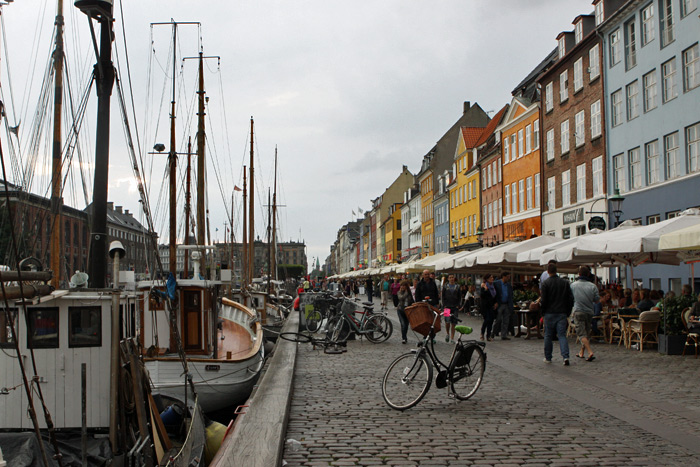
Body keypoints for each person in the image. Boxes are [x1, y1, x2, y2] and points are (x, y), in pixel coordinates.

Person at [541, 261, 574, 365]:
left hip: (549, 312)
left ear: (548, 271)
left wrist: (543, 312)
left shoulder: (545, 283)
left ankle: (548, 357)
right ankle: (565, 356)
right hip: (561, 312)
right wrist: (567, 311)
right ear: (556, 271)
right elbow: (570, 298)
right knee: (562, 335)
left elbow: (544, 300)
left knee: (548, 335)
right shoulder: (564, 283)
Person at [570, 266, 600, 362]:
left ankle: (590, 352)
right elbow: (596, 300)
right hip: (589, 312)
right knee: (586, 333)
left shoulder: (573, 285)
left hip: (578, 311)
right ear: (588, 274)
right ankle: (581, 352)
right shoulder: (593, 286)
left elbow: (570, 299)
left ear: (579, 274)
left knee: (581, 334)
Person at [493, 272, 514, 340]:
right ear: (503, 277)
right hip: (500, 304)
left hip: (506, 304)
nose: (508, 278)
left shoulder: (508, 285)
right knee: (498, 320)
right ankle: (493, 333)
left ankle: (504, 335)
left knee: (506, 320)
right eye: (507, 277)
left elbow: (510, 294)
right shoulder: (496, 283)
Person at [442, 274, 461, 343]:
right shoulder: (445, 286)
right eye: (450, 277)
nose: (451, 279)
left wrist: (458, 305)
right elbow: (443, 296)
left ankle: (452, 338)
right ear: (448, 279)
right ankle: (447, 333)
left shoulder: (457, 286)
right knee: (447, 321)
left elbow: (459, 297)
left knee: (454, 322)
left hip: (455, 306)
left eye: (452, 277)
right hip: (447, 306)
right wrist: (444, 304)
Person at [480, 274, 497, 341]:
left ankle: (488, 335)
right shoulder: (484, 286)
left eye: (492, 277)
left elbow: (495, 295)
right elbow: (482, 295)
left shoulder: (493, 286)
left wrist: (496, 302)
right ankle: (482, 333)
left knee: (491, 320)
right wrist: (486, 290)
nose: (492, 278)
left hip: (491, 306)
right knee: (487, 319)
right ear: (487, 279)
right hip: (485, 306)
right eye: (490, 277)